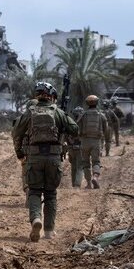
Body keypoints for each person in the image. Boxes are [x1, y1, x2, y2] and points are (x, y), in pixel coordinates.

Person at [12, 82, 78, 242]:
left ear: (37, 96)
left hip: (34, 158)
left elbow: (16, 133)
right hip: (53, 158)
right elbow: (75, 129)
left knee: (34, 191)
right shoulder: (58, 112)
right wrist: (62, 124)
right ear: (51, 96)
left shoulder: (29, 112)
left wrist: (19, 153)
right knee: (50, 193)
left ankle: (36, 218)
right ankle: (49, 231)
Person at [79, 95, 109, 189]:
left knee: (85, 163)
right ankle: (95, 177)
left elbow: (77, 127)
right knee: (96, 161)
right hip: (96, 141)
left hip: (85, 142)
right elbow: (106, 128)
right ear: (97, 103)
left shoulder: (83, 115)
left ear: (87, 103)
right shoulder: (101, 115)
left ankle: (88, 183)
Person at [67, 106, 84, 188]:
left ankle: (73, 184)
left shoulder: (70, 122)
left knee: (73, 167)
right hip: (79, 147)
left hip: (71, 148)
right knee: (79, 167)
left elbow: (66, 135)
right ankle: (77, 185)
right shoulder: (83, 124)